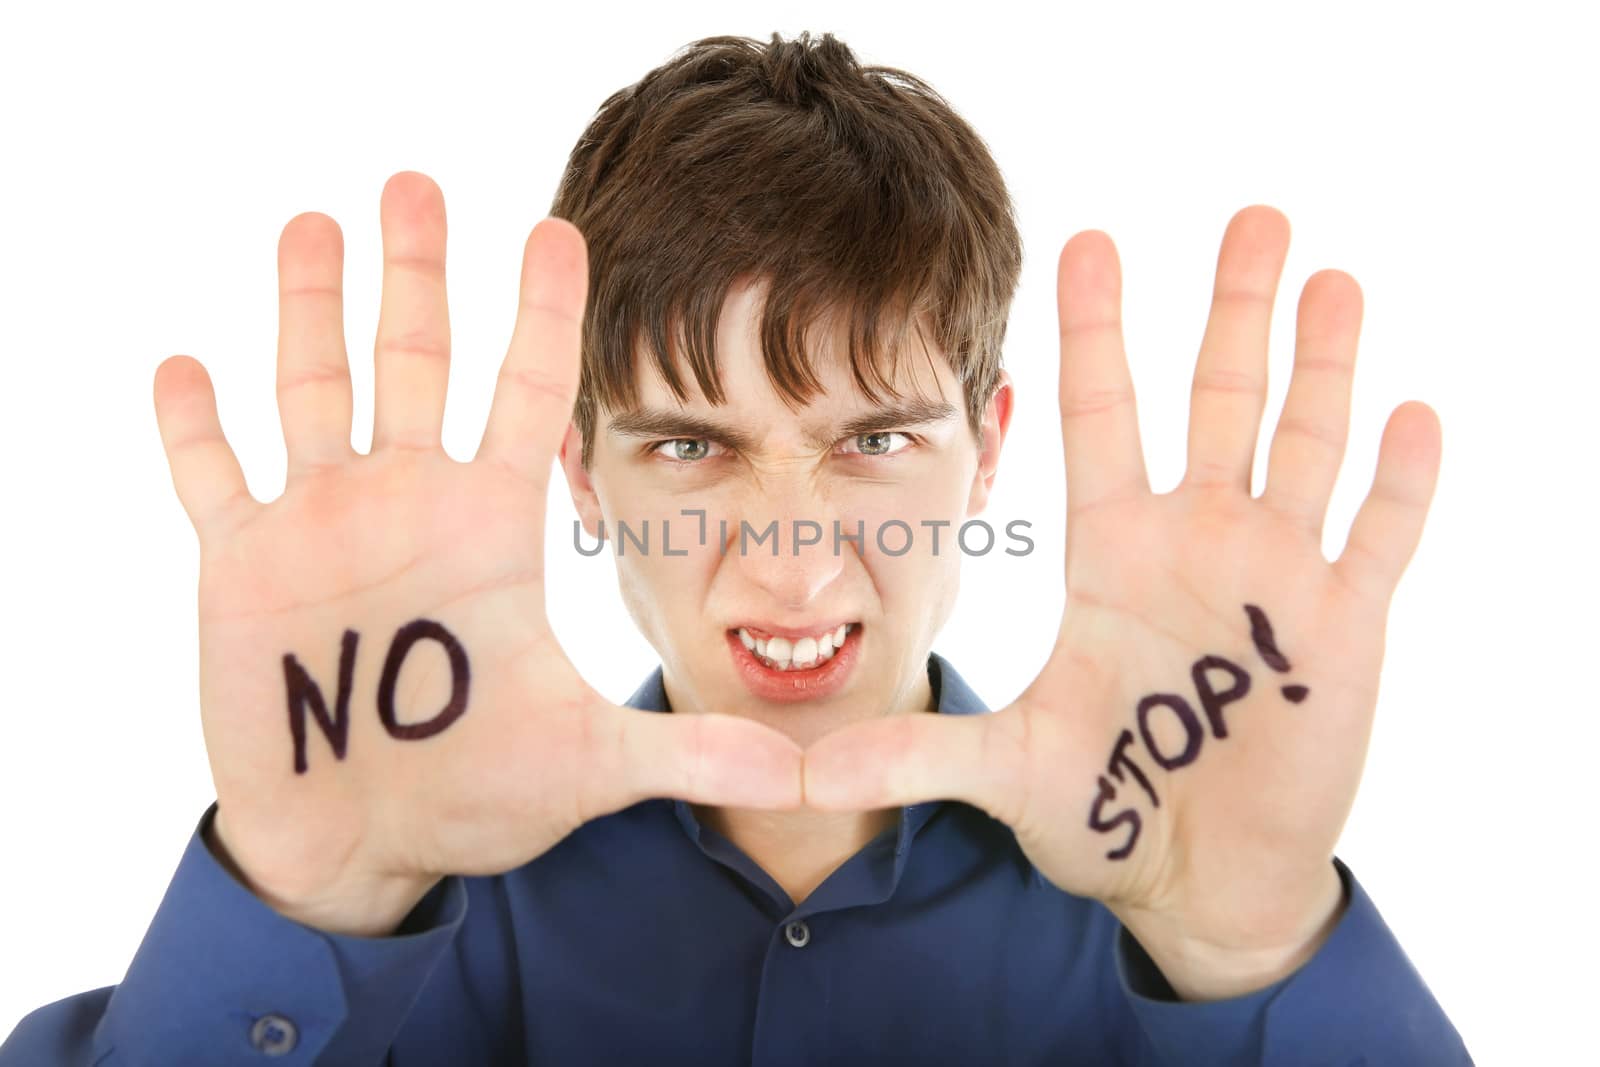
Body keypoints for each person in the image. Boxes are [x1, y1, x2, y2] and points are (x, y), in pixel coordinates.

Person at [1, 30, 1472, 1066]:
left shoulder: (1153, 887)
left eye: (874, 443)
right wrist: (302, 901)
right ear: (576, 474)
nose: (792, 562)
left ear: (992, 455)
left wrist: (1261, 949)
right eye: (692, 449)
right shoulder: (427, 881)